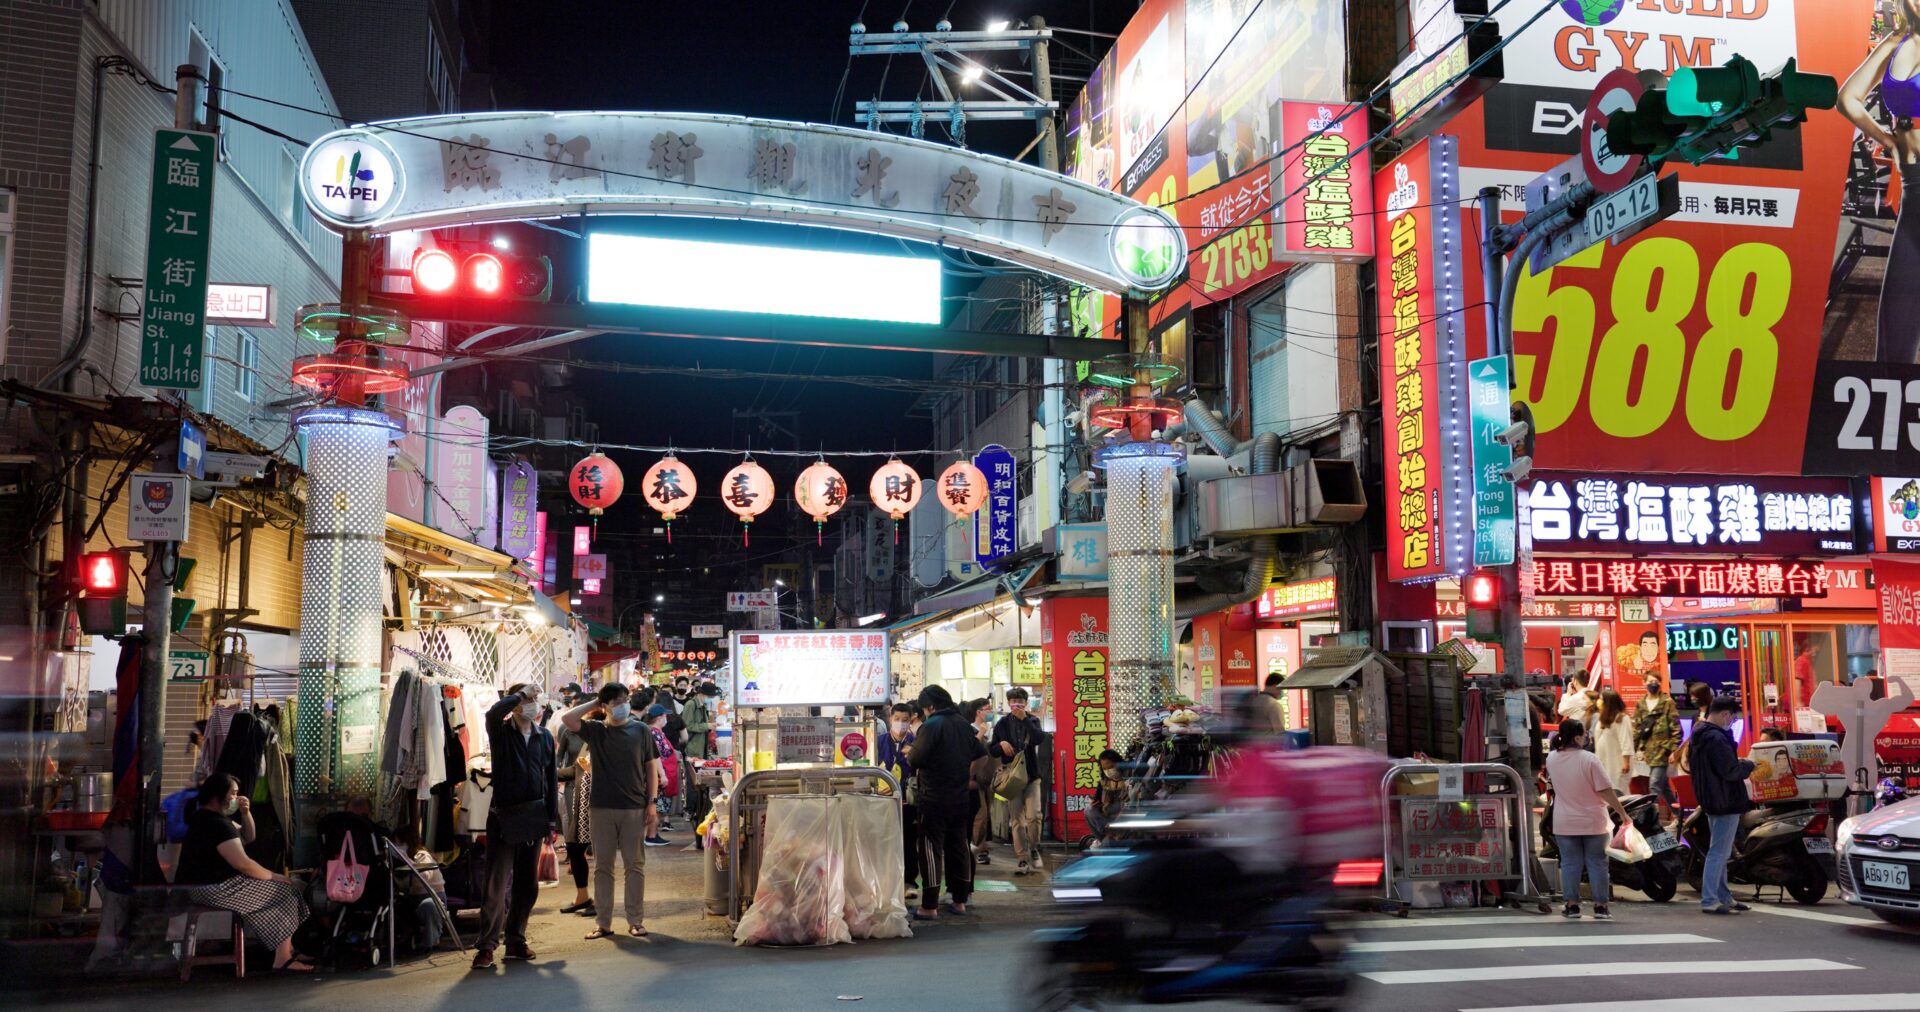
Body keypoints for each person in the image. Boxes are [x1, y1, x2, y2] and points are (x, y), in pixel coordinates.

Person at [1841, 0, 1920, 364]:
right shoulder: (1896, 41)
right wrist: (1886, 139)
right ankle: (1890, 416)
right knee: (1896, 324)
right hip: (1913, 187)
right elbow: (1847, 99)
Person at [175, 773, 313, 972]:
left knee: (284, 890)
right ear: (218, 796)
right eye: (233, 794)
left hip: (206, 887)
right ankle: (282, 959)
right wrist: (276, 876)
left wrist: (245, 812)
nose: (235, 798)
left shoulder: (209, 819)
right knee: (285, 893)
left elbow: (249, 836)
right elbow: (243, 864)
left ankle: (288, 949)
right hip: (214, 888)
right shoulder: (216, 824)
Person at [560, 682, 661, 940]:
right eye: (616, 702)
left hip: (634, 807)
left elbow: (650, 767)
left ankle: (635, 921)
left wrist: (652, 802)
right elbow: (568, 718)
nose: (623, 706)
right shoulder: (595, 730)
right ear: (605, 707)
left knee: (634, 865)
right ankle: (603, 922)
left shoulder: (641, 730)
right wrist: (597, 702)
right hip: (601, 807)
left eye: (625, 700)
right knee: (603, 867)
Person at [472, 684, 558, 970]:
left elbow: (549, 777)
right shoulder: (501, 732)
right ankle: (486, 946)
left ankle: (515, 939)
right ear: (516, 704)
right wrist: (520, 695)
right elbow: (492, 714)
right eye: (528, 700)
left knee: (527, 883)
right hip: (504, 815)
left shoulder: (544, 736)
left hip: (534, 815)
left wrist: (551, 820)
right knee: (496, 884)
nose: (533, 705)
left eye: (535, 699)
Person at [1543, 719, 1633, 920]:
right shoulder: (1589, 759)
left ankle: (1571, 905)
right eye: (1584, 734)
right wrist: (1623, 814)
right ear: (1576, 737)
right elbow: (1605, 791)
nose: (1586, 737)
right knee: (1598, 863)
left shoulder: (1551, 759)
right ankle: (1600, 907)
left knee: (1569, 864)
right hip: (1594, 821)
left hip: (1564, 822)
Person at [908, 685, 985, 919]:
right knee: (958, 845)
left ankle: (929, 906)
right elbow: (981, 754)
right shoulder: (963, 723)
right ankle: (960, 901)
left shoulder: (931, 726)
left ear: (930, 706)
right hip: (960, 797)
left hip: (933, 797)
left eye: (924, 709)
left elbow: (915, 759)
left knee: (931, 849)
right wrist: (969, 778)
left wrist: (909, 751)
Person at [1689, 696, 1757, 915]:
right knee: (1719, 852)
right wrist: (1748, 765)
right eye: (1732, 718)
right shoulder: (1716, 739)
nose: (1732, 723)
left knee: (1720, 850)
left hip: (1712, 799)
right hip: (1724, 800)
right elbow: (1730, 771)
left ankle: (1724, 897)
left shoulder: (1700, 735)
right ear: (1725, 714)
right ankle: (1710, 899)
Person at [991, 686, 1050, 875]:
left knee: (1034, 817)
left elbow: (1039, 739)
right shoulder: (1001, 724)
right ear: (1008, 703)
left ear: (1025, 703)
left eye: (1021, 702)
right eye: (1014, 701)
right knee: (1017, 821)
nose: (1017, 705)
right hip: (1012, 779)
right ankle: (1022, 858)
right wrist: (1000, 744)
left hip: (1032, 776)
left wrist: (1026, 721)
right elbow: (992, 749)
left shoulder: (1033, 720)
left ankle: (1034, 848)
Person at [555, 698, 595, 918]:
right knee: (573, 848)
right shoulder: (585, 742)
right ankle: (583, 896)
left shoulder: (604, 739)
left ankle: (600, 901)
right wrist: (546, 773)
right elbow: (575, 769)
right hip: (581, 803)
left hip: (600, 804)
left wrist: (591, 770)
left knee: (601, 856)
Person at [876, 702, 920, 900]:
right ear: (890, 719)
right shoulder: (878, 741)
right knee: (883, 842)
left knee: (909, 842)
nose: (900, 724)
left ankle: (909, 882)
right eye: (896, 720)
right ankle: (885, 881)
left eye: (904, 720)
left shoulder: (917, 743)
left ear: (911, 720)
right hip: (881, 801)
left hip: (908, 802)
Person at [1633, 675, 1681, 825]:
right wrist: (1635, 749)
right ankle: (1679, 815)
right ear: (1644, 683)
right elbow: (1637, 729)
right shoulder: (1641, 704)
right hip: (1649, 751)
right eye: (1650, 682)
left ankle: (1652, 819)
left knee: (1654, 784)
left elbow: (1676, 727)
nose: (1653, 684)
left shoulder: (1667, 702)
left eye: (1656, 682)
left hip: (1663, 750)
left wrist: (1673, 749)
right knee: (1664, 787)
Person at [642, 704, 679, 846]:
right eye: (665, 716)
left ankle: (653, 834)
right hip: (658, 777)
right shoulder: (654, 733)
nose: (666, 718)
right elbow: (655, 756)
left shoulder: (657, 732)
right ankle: (651, 836)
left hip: (662, 775)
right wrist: (661, 775)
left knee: (659, 807)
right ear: (659, 718)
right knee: (656, 807)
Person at [1592, 689, 1634, 795]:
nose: (1599, 702)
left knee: (1618, 793)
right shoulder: (1603, 718)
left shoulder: (1622, 719)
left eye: (1601, 699)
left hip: (1617, 764)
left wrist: (1626, 762)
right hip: (1604, 762)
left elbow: (1626, 741)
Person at [1084, 749, 1128, 846]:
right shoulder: (1104, 781)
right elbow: (1096, 800)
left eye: (1111, 767)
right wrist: (1096, 804)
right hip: (1106, 818)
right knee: (1089, 810)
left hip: (1122, 817)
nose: (1109, 771)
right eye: (1105, 769)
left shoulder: (1128, 779)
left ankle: (1109, 837)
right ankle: (1107, 835)